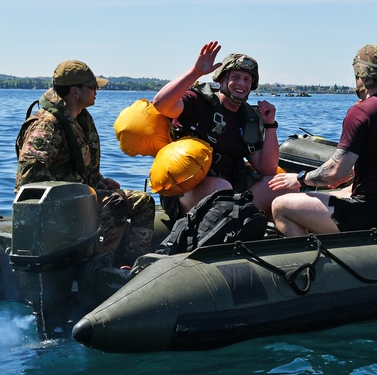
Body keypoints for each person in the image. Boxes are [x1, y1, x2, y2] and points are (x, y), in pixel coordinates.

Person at [268, 44, 377, 236]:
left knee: (281, 206)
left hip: (372, 214)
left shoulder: (362, 111)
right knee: (336, 195)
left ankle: (310, 263)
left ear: (362, 73)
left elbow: (335, 172)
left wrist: (299, 178)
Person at [16, 60, 155, 266]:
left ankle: (130, 264)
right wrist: (76, 195)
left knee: (143, 201)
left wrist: (97, 181)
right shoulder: (46, 126)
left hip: (78, 196)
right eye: (92, 86)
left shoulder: (79, 119)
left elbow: (80, 167)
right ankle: (100, 267)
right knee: (115, 204)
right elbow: (29, 180)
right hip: (55, 207)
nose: (97, 90)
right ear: (75, 92)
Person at [151, 41, 281, 215]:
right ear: (222, 79)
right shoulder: (200, 102)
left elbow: (267, 170)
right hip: (185, 193)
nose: (241, 84)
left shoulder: (248, 118)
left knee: (278, 185)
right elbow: (161, 104)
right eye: (235, 77)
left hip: (230, 191)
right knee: (222, 188)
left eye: (247, 79)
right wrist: (196, 72)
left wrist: (270, 124)